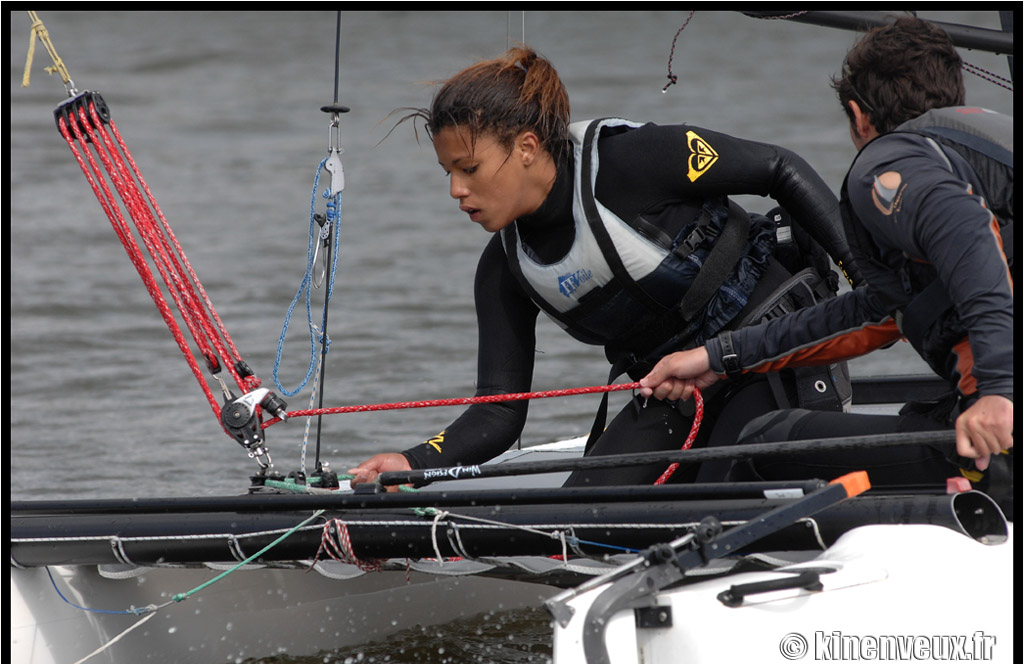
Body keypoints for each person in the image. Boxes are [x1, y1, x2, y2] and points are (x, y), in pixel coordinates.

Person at [349, 45, 862, 489]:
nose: (456, 190)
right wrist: (413, 461)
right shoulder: (505, 271)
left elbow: (779, 168)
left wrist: (871, 284)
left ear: (526, 147)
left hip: (770, 351)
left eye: (470, 168)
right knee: (577, 518)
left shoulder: (630, 163)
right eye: (448, 173)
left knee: (713, 494)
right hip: (677, 389)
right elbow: (500, 411)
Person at [639, 17, 1014, 514]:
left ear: (859, 117)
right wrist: (716, 357)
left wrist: (997, 392)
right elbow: (871, 313)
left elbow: (969, 239)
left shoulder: (890, 163)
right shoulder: (988, 148)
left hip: (1002, 434)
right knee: (921, 418)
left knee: (760, 445)